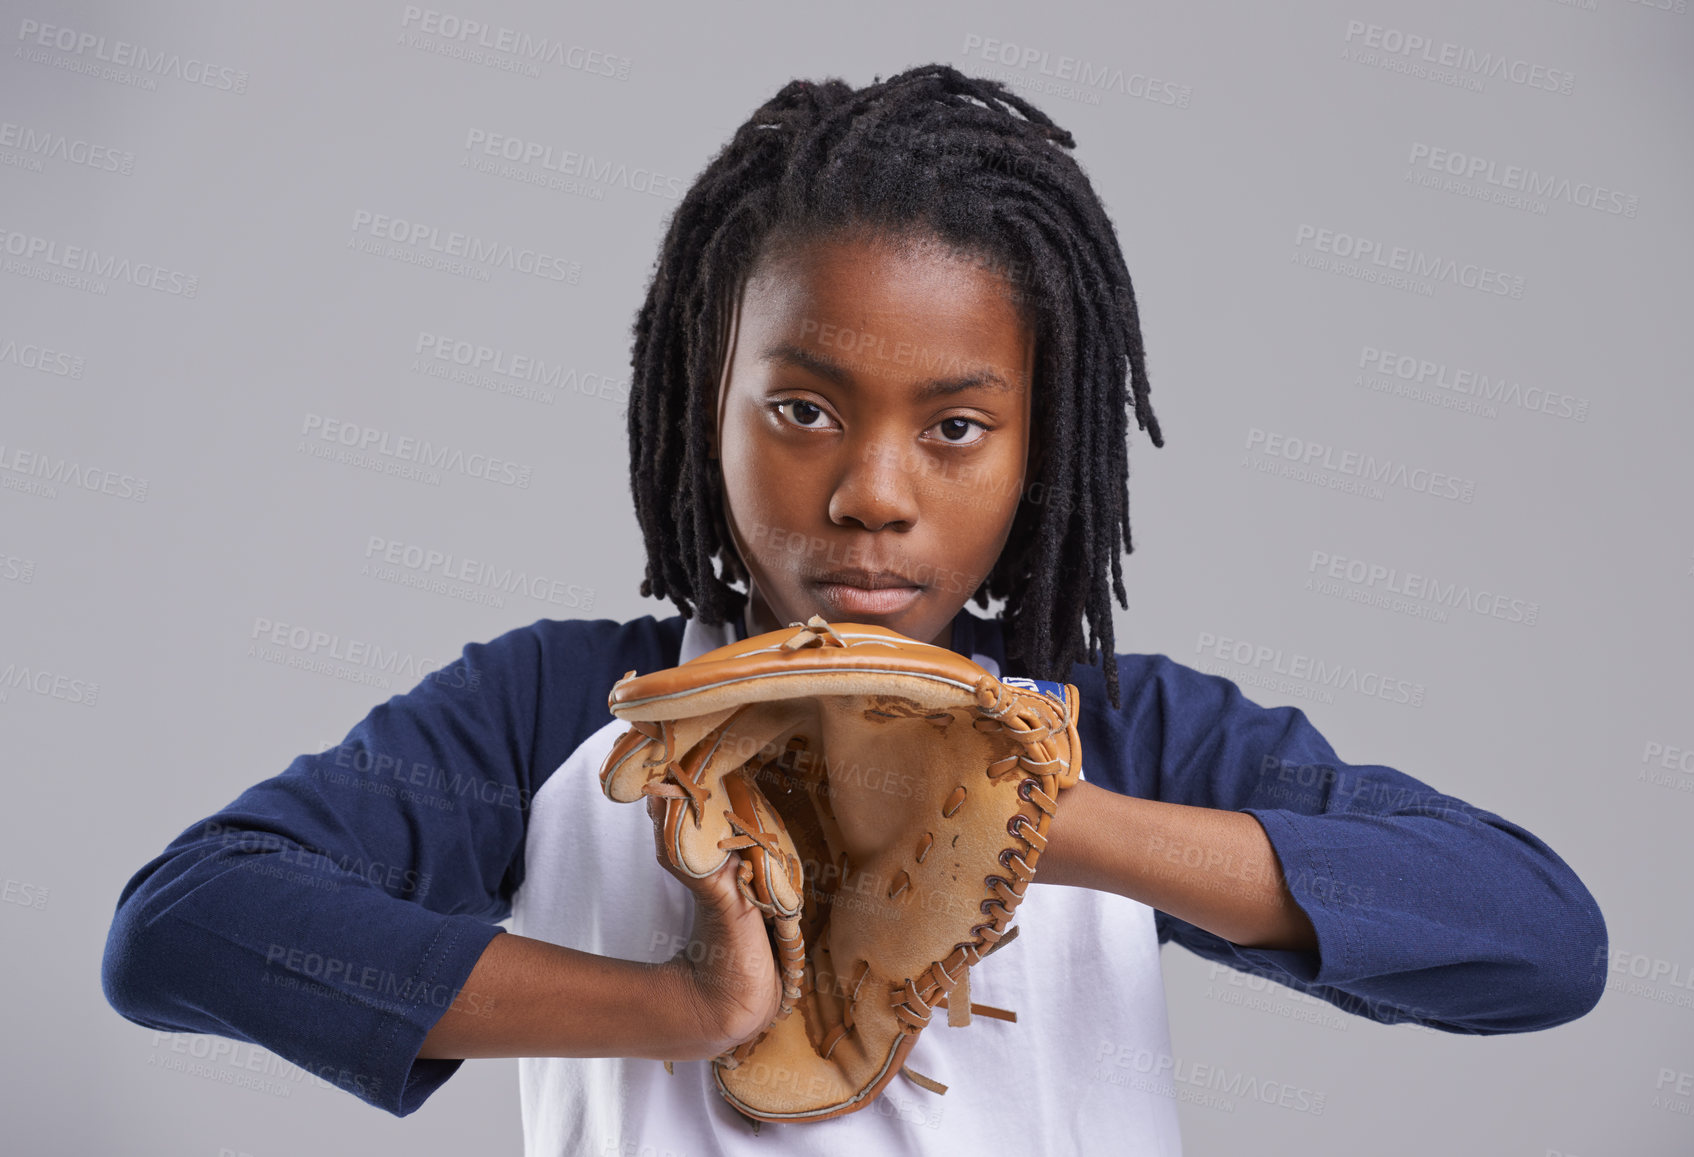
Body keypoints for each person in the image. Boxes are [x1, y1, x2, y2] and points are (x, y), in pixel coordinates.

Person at [101, 64, 1606, 1154]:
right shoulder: (563, 714)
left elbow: (1537, 942)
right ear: (711, 405)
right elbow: (183, 929)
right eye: (806, 406)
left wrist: (1034, 812)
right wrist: (681, 1006)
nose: (872, 490)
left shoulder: (1118, 725)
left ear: (1041, 443)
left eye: (955, 426)